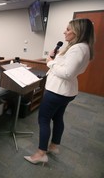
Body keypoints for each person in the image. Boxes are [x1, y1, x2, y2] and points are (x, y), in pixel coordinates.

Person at [24, 18, 95, 166]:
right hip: (66, 91)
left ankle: (40, 154)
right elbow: (69, 67)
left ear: (78, 32)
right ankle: (54, 146)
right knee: (58, 117)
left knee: (43, 120)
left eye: (68, 29)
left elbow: (67, 73)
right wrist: (55, 57)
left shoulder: (77, 48)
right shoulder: (84, 47)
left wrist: (50, 61)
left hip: (57, 91)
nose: (65, 31)